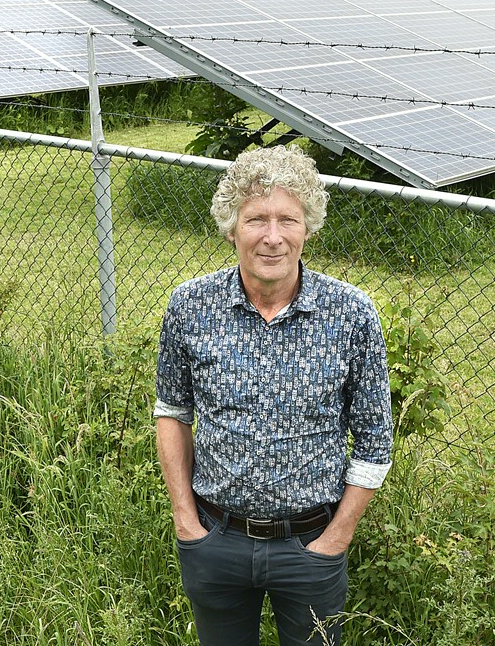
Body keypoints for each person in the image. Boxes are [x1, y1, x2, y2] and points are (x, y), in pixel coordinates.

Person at [154, 145, 394, 646]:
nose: (272, 237)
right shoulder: (190, 305)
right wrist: (185, 520)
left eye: (288, 219)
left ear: (308, 227)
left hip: (311, 547)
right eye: (256, 219)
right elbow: (173, 412)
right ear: (231, 227)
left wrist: (337, 538)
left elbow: (375, 441)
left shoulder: (352, 314)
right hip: (214, 540)